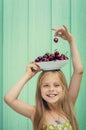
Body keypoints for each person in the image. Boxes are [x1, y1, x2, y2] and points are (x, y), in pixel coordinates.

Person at [4, 25, 83, 130]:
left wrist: (71, 41)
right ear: (39, 90)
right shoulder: (36, 113)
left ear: (63, 89)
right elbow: (9, 99)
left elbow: (79, 71)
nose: (51, 89)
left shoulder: (68, 107)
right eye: (46, 85)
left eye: (56, 85)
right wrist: (28, 75)